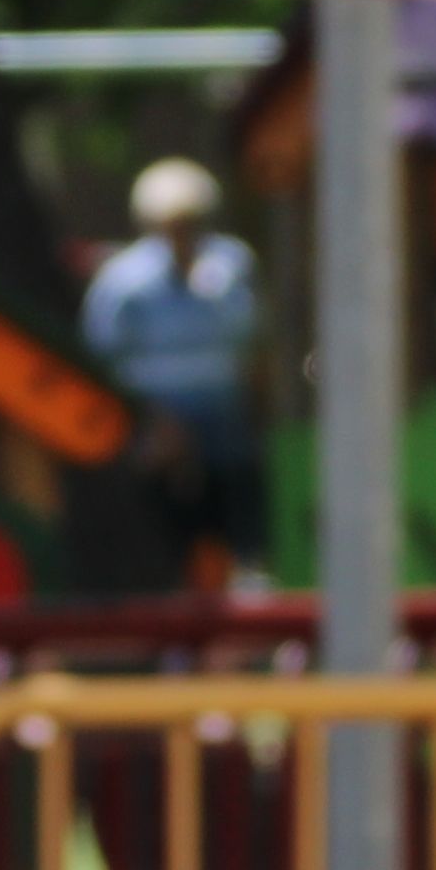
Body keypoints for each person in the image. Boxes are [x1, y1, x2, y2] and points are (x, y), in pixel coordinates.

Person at [80, 156, 261, 581]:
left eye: (191, 220)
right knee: (165, 528)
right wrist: (148, 418)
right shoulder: (124, 280)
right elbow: (102, 353)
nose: (183, 232)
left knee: (234, 518)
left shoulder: (232, 267)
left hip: (226, 421)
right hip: (155, 425)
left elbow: (254, 339)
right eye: (171, 222)